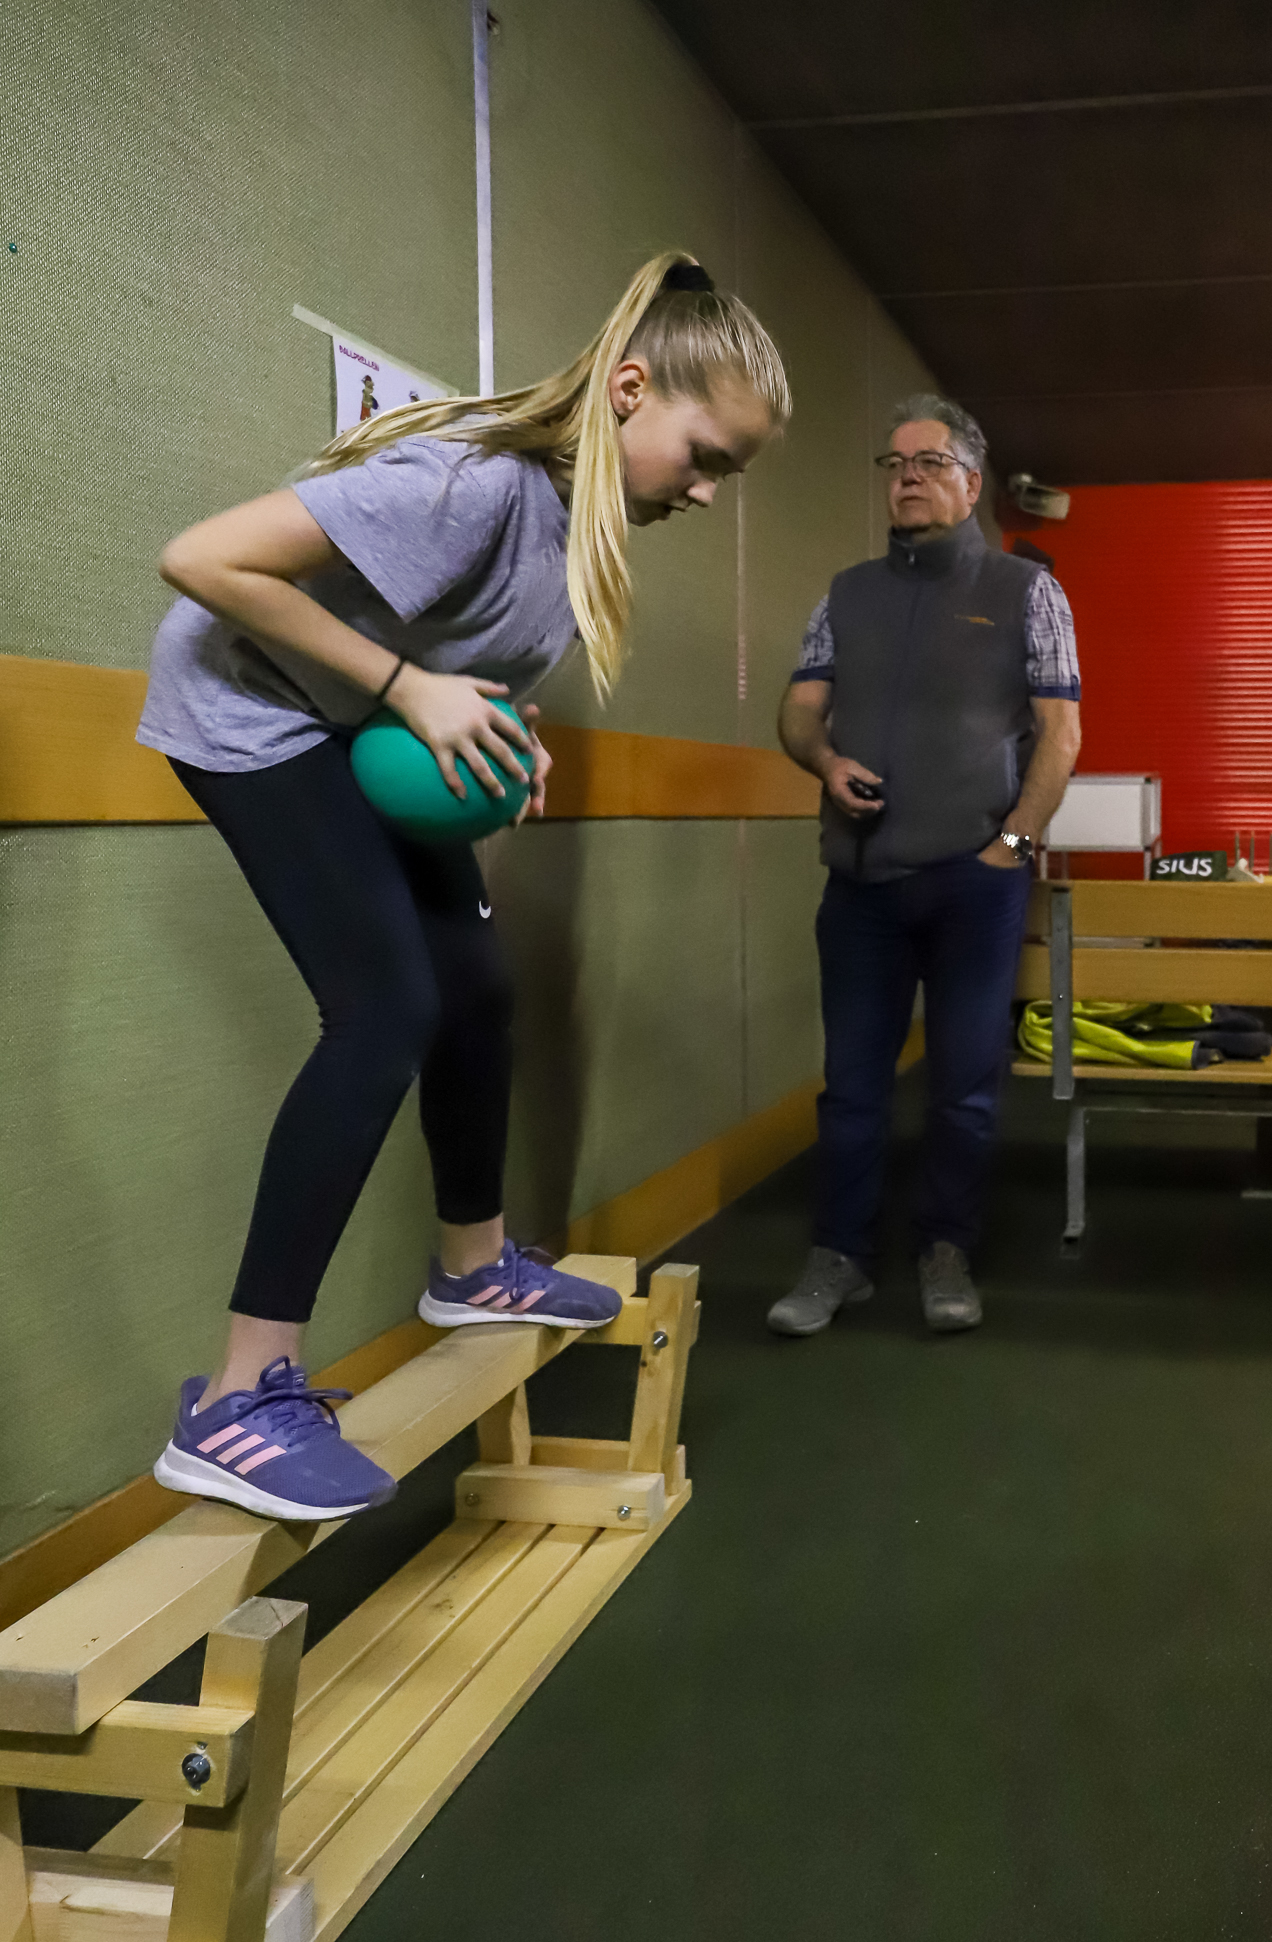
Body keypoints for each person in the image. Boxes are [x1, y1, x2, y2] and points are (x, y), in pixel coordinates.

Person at [136, 253, 790, 1521]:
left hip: (348, 723)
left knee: (474, 989)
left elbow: (450, 665)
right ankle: (237, 1395)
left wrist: (494, 736)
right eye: (707, 455)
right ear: (630, 390)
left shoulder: (574, 529)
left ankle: (472, 1265)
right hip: (251, 713)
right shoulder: (472, 482)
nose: (709, 490)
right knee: (382, 1007)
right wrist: (407, 690)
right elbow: (204, 559)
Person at [767, 395, 1081, 1339]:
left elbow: (1061, 734)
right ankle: (839, 1256)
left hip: (973, 883)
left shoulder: (1027, 591)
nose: (907, 477)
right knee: (851, 1087)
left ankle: (945, 1248)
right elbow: (799, 710)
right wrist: (825, 762)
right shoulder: (845, 593)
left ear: (971, 484)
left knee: (964, 1086)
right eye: (894, 464)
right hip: (860, 883)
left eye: (929, 462)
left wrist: (1012, 846)